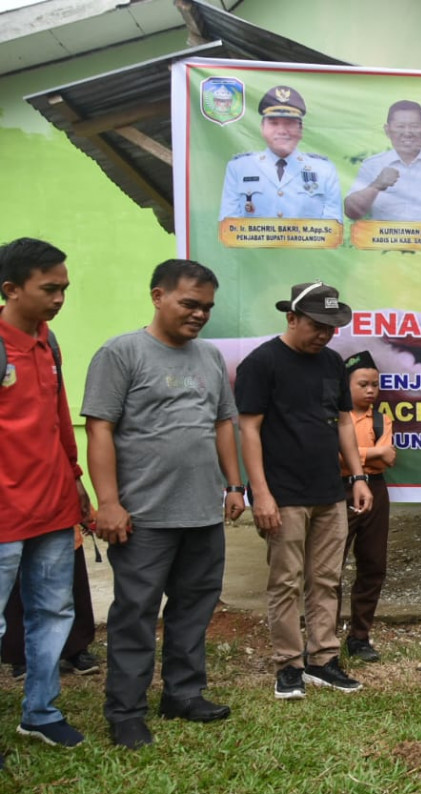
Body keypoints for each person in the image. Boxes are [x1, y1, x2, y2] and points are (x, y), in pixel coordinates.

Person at [82, 259, 246, 750]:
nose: (199, 314)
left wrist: (234, 487)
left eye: (207, 307)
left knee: (194, 610)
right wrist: (107, 502)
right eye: (189, 303)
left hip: (201, 511)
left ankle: (184, 694)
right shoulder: (121, 352)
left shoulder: (210, 357)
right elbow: (99, 428)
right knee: (135, 613)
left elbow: (223, 423)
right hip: (144, 515)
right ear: (158, 296)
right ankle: (126, 712)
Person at [235, 281, 373, 701]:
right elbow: (249, 429)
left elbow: (345, 422)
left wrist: (358, 476)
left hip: (329, 492)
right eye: (316, 325)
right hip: (284, 494)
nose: (325, 335)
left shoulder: (332, 362)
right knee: (285, 582)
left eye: (331, 327)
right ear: (291, 318)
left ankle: (323, 660)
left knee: (327, 579)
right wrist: (259, 493)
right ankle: (289, 665)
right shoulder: (262, 363)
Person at [0, 237, 91, 758]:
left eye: (64, 289)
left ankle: (41, 712)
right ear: (11, 289)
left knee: (52, 612)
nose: (59, 298)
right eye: (49, 289)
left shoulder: (48, 342)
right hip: (5, 514)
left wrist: (75, 481)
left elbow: (59, 420)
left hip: (53, 508)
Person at [337, 350, 395, 662]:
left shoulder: (381, 418)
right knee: (329, 567)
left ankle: (359, 637)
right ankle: (324, 638)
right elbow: (334, 456)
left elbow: (388, 457)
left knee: (373, 565)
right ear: (346, 387)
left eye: (374, 384)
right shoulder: (335, 417)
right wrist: (369, 452)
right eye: (363, 384)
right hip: (338, 492)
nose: (370, 390)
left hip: (376, 489)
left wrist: (353, 453)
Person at [219, 86, 341, 221]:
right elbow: (229, 226)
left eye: (289, 123)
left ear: (301, 129)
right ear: (262, 128)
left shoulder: (324, 170)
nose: (282, 131)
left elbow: (333, 229)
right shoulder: (239, 168)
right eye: (274, 123)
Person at [344, 100, 421, 223]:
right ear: (387, 130)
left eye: (414, 126)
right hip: (386, 244)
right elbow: (352, 212)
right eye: (400, 127)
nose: (407, 133)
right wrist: (376, 185)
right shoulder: (372, 165)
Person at [2, 524, 99, 679]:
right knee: (14, 580)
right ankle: (21, 656)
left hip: (57, 513)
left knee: (68, 578)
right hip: (10, 516)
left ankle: (75, 649)